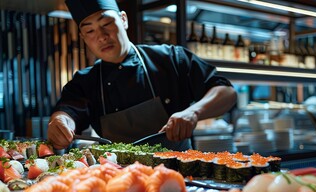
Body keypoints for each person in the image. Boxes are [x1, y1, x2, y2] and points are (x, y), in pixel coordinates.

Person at [47, 0, 237, 151]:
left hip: (181, 177)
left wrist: (193, 112)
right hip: (119, 180)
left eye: (106, 23)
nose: (102, 36)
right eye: (90, 30)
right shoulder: (85, 82)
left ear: (123, 20)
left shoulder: (170, 58)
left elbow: (226, 92)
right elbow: (68, 111)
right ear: (83, 37)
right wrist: (60, 122)